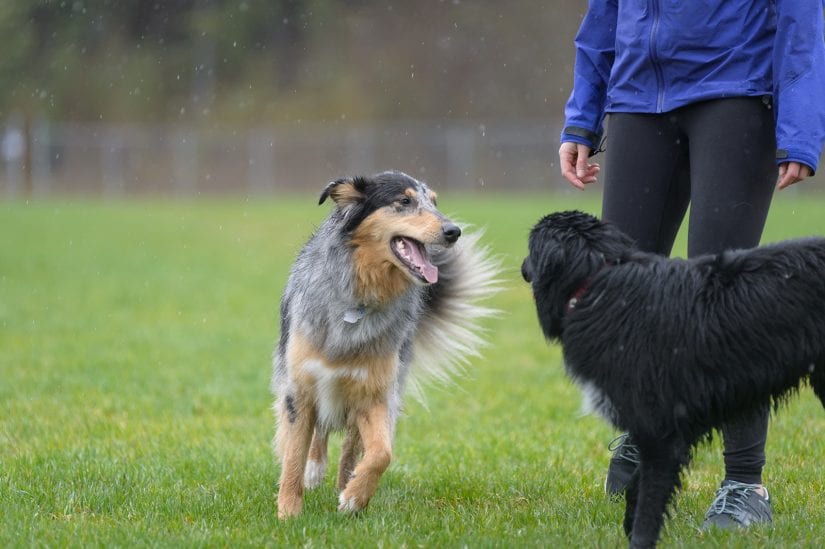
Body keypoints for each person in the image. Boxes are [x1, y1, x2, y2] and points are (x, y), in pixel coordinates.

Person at [558, 0, 825, 530]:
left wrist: (800, 125)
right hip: (635, 97)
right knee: (621, 293)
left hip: (735, 91)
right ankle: (645, 435)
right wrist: (582, 118)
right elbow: (604, 19)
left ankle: (745, 483)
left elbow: (803, 18)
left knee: (728, 302)